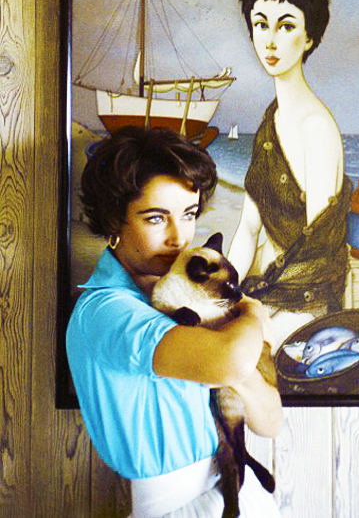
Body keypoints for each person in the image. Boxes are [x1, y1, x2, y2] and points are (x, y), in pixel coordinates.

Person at [66, 125, 283, 518]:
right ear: (114, 220)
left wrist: (238, 363)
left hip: (236, 494)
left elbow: (270, 422)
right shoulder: (106, 311)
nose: (178, 237)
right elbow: (232, 363)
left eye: (188, 214)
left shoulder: (186, 303)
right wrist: (252, 312)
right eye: (155, 218)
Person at [228, 0, 353, 347]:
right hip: (264, 293)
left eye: (286, 26)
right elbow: (248, 229)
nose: (270, 41)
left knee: (238, 356)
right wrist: (224, 292)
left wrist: (257, 307)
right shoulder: (272, 121)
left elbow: (317, 250)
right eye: (261, 24)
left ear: (309, 37)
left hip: (307, 302)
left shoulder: (316, 127)